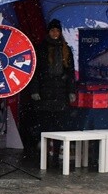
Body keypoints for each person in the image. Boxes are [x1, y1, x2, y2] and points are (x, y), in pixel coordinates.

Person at [25, 19, 77, 159]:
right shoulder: (41, 48)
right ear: (48, 32)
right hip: (45, 92)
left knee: (59, 126)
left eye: (57, 31)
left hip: (61, 93)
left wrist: (71, 90)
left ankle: (55, 154)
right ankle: (44, 154)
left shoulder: (66, 49)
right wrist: (35, 90)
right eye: (53, 30)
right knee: (45, 125)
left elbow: (70, 72)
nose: (55, 33)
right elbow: (35, 72)